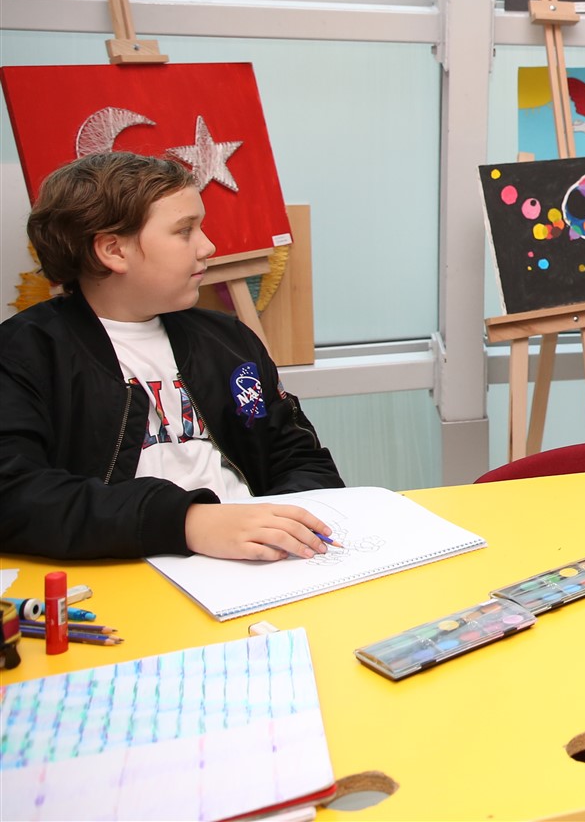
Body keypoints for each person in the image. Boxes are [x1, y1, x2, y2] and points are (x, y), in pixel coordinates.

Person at [0, 152, 343, 562]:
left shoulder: (229, 341)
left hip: (259, 564)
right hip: (128, 564)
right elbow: (15, 494)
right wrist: (187, 521)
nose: (208, 246)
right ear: (114, 250)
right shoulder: (24, 353)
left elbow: (300, 458)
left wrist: (294, 522)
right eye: (184, 231)